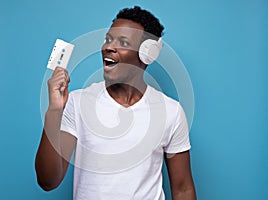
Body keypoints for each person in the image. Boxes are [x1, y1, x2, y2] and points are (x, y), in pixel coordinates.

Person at [35, 6, 196, 200]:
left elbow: (183, 189)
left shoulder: (171, 112)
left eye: (123, 42)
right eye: (108, 39)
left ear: (147, 54)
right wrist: (54, 110)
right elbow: (48, 181)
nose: (108, 47)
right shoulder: (77, 102)